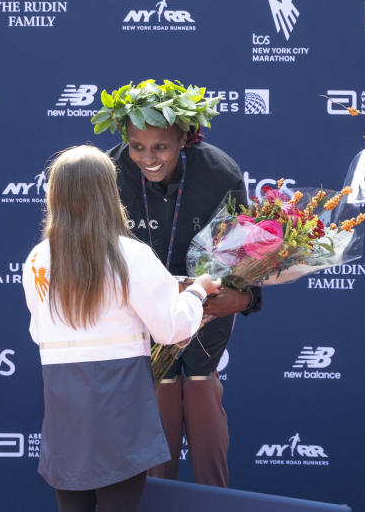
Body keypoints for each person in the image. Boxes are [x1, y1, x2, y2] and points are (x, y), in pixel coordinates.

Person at [22, 145, 220, 512]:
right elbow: (172, 329)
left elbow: (39, 332)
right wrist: (197, 291)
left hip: (64, 408)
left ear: (55, 194)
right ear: (107, 193)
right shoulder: (130, 254)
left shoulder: (37, 258)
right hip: (120, 406)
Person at [96, 80, 263, 487]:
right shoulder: (110, 171)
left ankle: (215, 499)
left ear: (184, 139)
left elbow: (245, 250)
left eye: (161, 147)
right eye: (137, 147)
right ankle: (156, 499)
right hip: (142, 309)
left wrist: (244, 297)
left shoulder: (218, 170)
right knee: (161, 397)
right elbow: (97, 250)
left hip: (208, 302)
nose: (148, 158)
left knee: (203, 393)